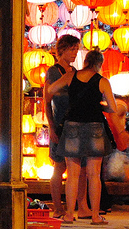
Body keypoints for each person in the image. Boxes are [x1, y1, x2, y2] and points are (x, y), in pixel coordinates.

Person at [47, 49, 118, 225]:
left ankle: (69, 214)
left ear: (85, 61)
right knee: (94, 174)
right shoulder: (102, 81)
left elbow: (51, 89)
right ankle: (95, 216)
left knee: (72, 174)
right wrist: (99, 106)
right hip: (94, 127)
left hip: (72, 126)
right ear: (99, 64)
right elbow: (113, 107)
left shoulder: (71, 76)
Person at [44, 34, 91, 219]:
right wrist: (51, 127)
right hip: (61, 123)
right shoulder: (53, 71)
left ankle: (83, 206)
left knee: (82, 168)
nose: (74, 53)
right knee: (60, 166)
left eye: (76, 49)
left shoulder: (75, 71)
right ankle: (58, 207)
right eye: (72, 49)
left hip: (78, 123)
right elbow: (47, 101)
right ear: (61, 50)